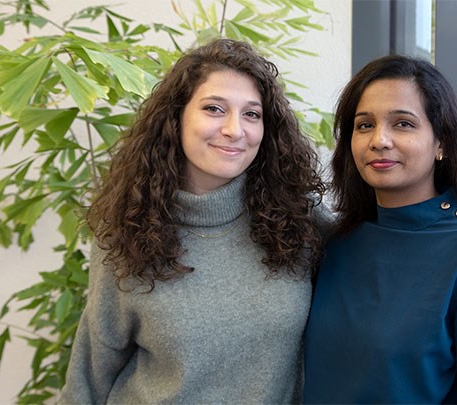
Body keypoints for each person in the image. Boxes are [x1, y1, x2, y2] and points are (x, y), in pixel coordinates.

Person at [59, 38, 330, 403]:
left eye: (252, 114)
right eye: (215, 109)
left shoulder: (297, 220)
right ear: (177, 117)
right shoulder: (128, 232)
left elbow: (384, 253)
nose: (235, 129)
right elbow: (88, 378)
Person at [304, 55, 457, 404]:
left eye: (403, 124)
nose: (379, 140)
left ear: (441, 142)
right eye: (364, 125)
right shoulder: (336, 245)